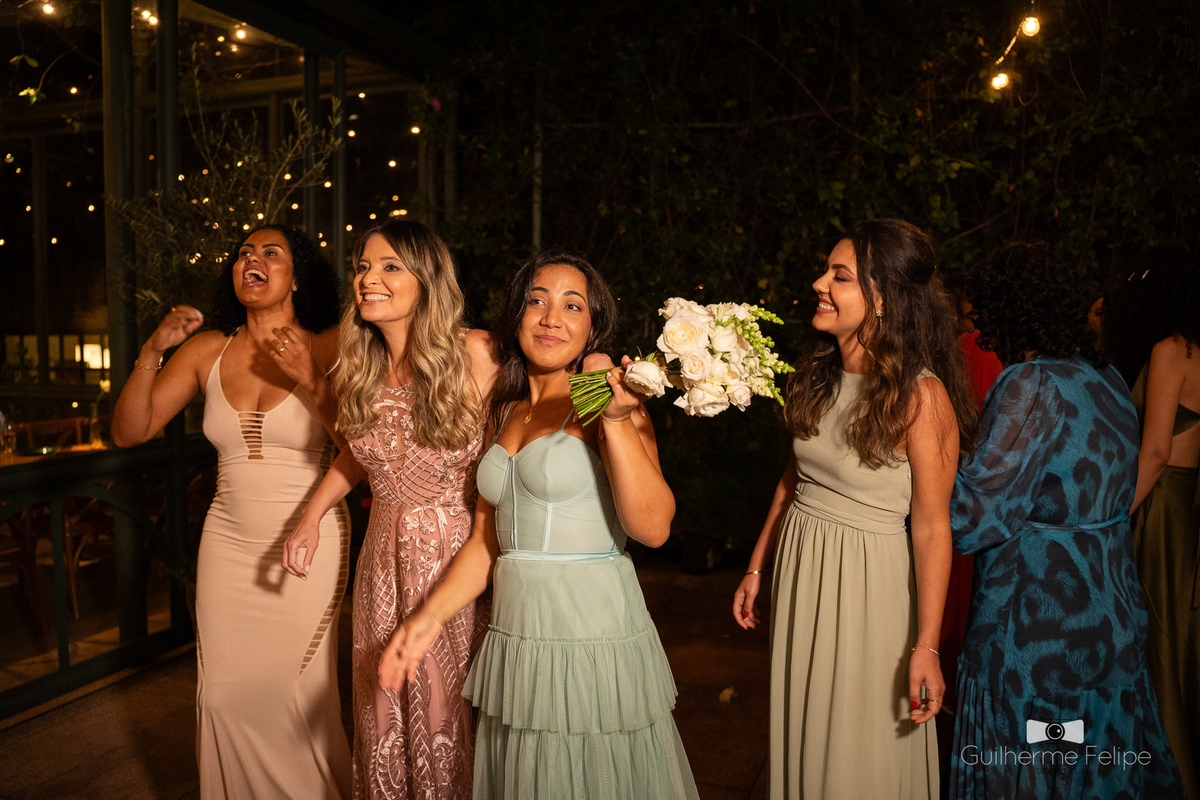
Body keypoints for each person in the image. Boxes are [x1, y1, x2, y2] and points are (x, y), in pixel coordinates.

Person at [377, 250, 700, 800]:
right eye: (537, 301)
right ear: (517, 315)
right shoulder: (505, 412)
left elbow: (653, 528)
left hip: (587, 631)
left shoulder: (604, 403)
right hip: (518, 635)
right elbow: (487, 543)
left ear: (593, 327)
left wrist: (616, 419)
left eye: (572, 306)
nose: (551, 318)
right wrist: (425, 621)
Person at [733, 219, 977, 799]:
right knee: (806, 727)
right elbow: (794, 478)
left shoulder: (922, 396)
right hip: (802, 573)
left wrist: (927, 646)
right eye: (827, 271)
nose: (820, 283)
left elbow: (933, 527)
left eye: (839, 276)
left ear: (883, 298)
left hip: (868, 586)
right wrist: (757, 565)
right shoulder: (819, 374)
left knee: (856, 747)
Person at [111, 224, 351, 799]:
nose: (253, 259)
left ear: (298, 276)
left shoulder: (330, 345)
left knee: (290, 694)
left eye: (271, 252)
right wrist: (153, 351)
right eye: (245, 253)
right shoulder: (207, 351)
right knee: (222, 696)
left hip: (310, 538)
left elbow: (364, 448)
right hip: (228, 541)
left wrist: (311, 377)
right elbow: (130, 431)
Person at [948, 242, 1182, 799]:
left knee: (1031, 769)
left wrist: (926, 460)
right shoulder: (1108, 378)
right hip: (1111, 622)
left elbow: (974, 518)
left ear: (1006, 312)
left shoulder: (1030, 383)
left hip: (1038, 632)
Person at [282, 220, 498, 800]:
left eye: (389, 266)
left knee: (443, 716)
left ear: (427, 280)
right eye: (362, 267)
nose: (367, 279)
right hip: (380, 561)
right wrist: (310, 517)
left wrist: (605, 381)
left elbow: (553, 398)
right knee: (381, 712)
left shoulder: (477, 352)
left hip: (454, 558)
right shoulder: (363, 365)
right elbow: (361, 454)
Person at [1104, 246, 1200, 799]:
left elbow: (1156, 451)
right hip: (1189, 510)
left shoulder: (1171, 350)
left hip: (1160, 509)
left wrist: (1113, 517)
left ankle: (1165, 776)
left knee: (1157, 642)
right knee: (1180, 641)